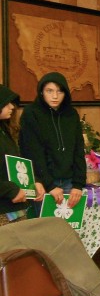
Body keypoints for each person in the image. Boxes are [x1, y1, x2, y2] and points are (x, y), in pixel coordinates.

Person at [19, 72, 86, 213]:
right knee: (47, 229)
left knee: (70, 229)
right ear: (42, 92)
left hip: (70, 182)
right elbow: (32, 151)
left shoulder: (72, 114)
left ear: (65, 93)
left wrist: (78, 184)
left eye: (59, 91)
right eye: (49, 91)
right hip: (44, 183)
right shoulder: (31, 113)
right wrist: (49, 185)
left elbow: (78, 150)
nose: (55, 96)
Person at [0, 85, 45, 226]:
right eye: (6, 103)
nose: (12, 107)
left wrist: (34, 181)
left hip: (14, 209)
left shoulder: (4, 130)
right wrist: (11, 190)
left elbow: (16, 163)